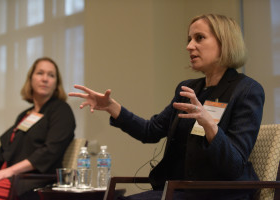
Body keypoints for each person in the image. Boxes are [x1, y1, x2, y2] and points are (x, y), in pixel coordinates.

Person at [69, 14, 265, 200]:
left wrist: (210, 126)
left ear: (225, 42)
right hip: (181, 190)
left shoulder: (247, 90)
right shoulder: (189, 88)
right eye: (189, 39)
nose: (189, 46)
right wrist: (112, 107)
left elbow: (234, 165)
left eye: (199, 38)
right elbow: (150, 131)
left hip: (221, 193)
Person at [0, 57, 76, 200]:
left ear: (56, 84)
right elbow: (16, 152)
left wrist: (9, 171)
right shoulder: (24, 115)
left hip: (30, 182)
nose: (45, 79)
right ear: (30, 79)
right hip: (8, 177)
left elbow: (50, 151)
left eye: (51, 75)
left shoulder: (61, 110)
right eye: (40, 73)